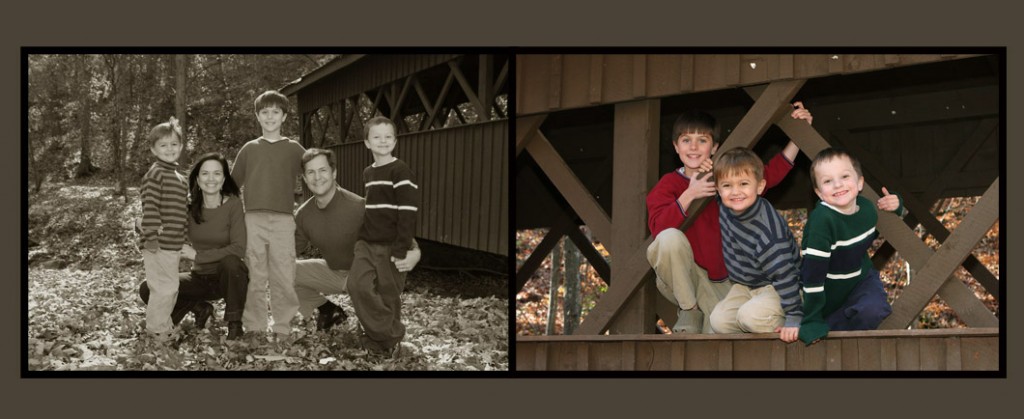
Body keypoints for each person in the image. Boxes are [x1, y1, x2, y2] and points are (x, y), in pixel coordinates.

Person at [645, 103, 812, 333]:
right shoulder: (668, 185)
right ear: (676, 146)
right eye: (686, 140)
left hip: (722, 282)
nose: (694, 147)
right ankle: (690, 310)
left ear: (714, 148)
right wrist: (689, 195)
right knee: (668, 238)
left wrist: (798, 136)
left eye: (702, 140)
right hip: (685, 280)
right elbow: (658, 230)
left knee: (719, 330)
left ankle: (782, 320)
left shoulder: (725, 180)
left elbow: (766, 175)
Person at [291, 148, 421, 338]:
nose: (317, 177)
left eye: (323, 170)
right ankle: (328, 312)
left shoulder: (358, 206)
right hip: (337, 273)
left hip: (368, 277)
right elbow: (288, 249)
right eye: (311, 172)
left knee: (376, 331)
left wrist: (415, 251)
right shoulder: (304, 214)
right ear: (304, 177)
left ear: (334, 173)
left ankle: (381, 327)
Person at [138, 153, 249, 340]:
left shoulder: (234, 204)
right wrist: (145, 225)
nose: (211, 179)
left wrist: (197, 256)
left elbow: (239, 248)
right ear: (197, 179)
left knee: (232, 263)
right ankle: (199, 307)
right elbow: (166, 226)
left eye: (217, 173)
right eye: (205, 174)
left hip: (228, 279)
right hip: (199, 278)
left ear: (224, 178)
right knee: (147, 288)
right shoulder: (188, 207)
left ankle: (235, 326)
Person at [798, 148, 903, 345]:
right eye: (827, 181)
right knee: (828, 333)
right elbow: (812, 275)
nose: (838, 184)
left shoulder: (867, 208)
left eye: (845, 176)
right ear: (819, 192)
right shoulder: (821, 223)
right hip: (828, 292)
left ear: (860, 182)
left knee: (874, 311)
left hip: (860, 281)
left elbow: (875, 229)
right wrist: (812, 318)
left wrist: (896, 206)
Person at [231, 90, 305, 339]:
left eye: (275, 112)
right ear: (257, 116)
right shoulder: (249, 149)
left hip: (284, 220)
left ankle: (283, 327)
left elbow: (315, 175)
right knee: (255, 274)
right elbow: (231, 186)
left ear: (284, 116)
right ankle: (254, 325)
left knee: (284, 274)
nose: (270, 116)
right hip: (252, 220)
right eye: (265, 112)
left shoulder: (294, 149)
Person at [707, 148, 802, 342]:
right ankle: (760, 322)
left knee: (749, 317)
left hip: (781, 287)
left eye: (743, 184)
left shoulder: (768, 232)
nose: (735, 192)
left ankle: (795, 320)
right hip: (745, 286)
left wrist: (794, 315)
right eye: (727, 185)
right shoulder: (726, 205)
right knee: (719, 322)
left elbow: (785, 275)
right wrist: (704, 164)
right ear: (718, 189)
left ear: (760, 187)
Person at [348, 116, 420, 354]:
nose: (383, 141)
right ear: (367, 143)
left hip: (392, 245)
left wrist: (402, 248)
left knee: (388, 295)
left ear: (395, 141)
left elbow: (408, 212)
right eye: (376, 137)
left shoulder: (401, 171)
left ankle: (379, 342)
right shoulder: (368, 172)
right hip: (367, 241)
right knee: (357, 285)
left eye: (388, 136)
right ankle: (390, 334)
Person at [138, 117, 189, 341]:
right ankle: (157, 330)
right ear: (153, 149)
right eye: (163, 145)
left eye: (174, 144)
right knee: (163, 288)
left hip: (173, 244)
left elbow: (180, 214)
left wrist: (184, 240)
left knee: (171, 287)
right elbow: (150, 207)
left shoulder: (179, 178)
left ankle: (163, 325)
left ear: (181, 146)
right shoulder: (155, 174)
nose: (170, 149)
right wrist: (150, 237)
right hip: (157, 243)